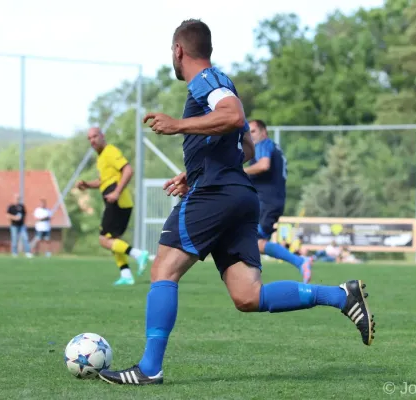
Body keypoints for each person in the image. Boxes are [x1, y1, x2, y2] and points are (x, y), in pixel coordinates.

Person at [98, 19, 375, 386]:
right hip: (237, 193)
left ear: (179, 50)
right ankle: (341, 297)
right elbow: (243, 146)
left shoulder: (206, 80)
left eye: (172, 52)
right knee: (247, 295)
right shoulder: (221, 83)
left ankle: (149, 368)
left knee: (163, 271)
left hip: (216, 194)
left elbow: (234, 116)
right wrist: (194, 171)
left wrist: (178, 125)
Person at [75, 128, 150, 285]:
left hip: (118, 200)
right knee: (114, 240)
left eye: (95, 136)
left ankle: (138, 254)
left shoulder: (110, 151)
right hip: (117, 201)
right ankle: (126, 275)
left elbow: (128, 170)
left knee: (104, 239)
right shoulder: (101, 157)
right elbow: (103, 181)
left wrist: (116, 192)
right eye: (89, 138)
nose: (92, 140)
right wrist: (87, 184)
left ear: (103, 136)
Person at [244, 119, 313, 283]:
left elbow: (263, 165)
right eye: (248, 132)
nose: (250, 135)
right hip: (271, 202)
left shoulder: (264, 144)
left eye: (253, 131)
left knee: (249, 241)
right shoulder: (274, 147)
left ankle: (299, 261)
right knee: (252, 241)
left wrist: (237, 172)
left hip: (265, 203)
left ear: (263, 132)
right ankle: (250, 280)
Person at [6, 194, 32, 258]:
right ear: (14, 199)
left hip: (22, 226)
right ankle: (14, 253)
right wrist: (15, 217)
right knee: (14, 239)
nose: (17, 200)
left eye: (18, 199)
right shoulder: (11, 207)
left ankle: (27, 252)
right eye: (16, 198)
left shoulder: (22, 206)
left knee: (25, 238)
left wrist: (25, 222)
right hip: (14, 226)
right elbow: (7, 215)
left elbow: (25, 215)